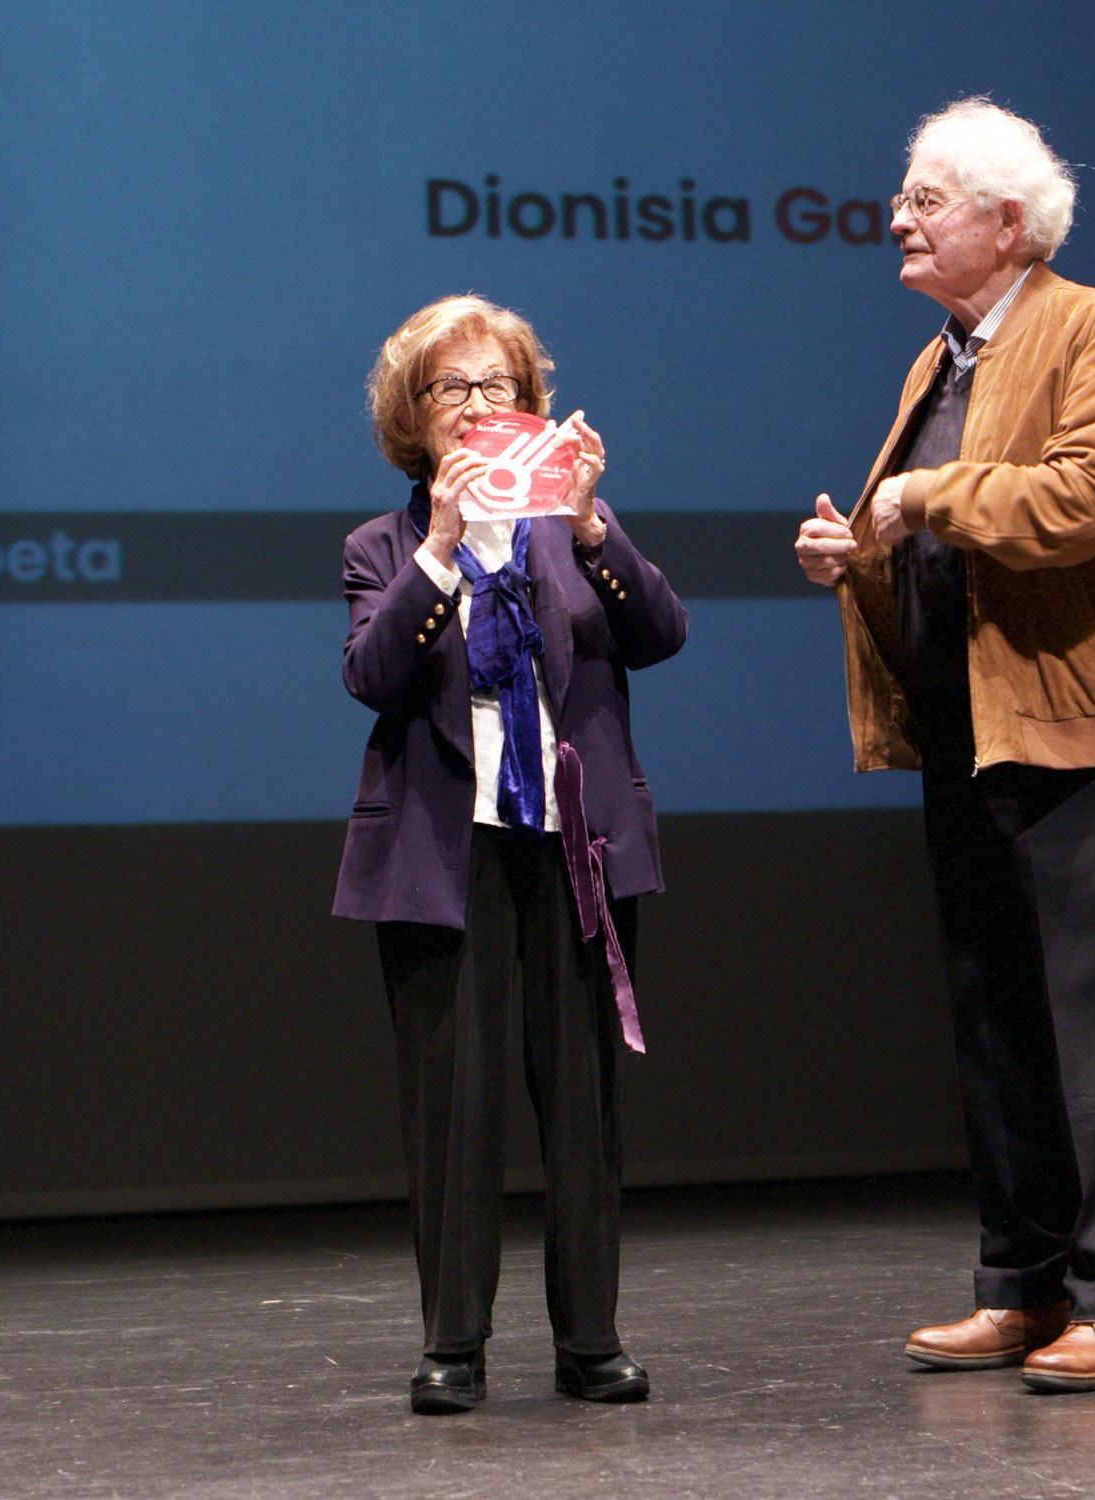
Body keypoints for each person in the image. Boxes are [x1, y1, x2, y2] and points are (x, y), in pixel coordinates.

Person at [793, 98, 1095, 1393]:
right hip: (973, 731)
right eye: (903, 196)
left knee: (1092, 1025)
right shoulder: (943, 363)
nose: (898, 218)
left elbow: (1093, 497)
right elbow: (930, 540)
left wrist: (925, 497)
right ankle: (1021, 1288)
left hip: (1078, 726)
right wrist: (855, 555)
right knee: (996, 1021)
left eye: (925, 198)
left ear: (1008, 223)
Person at [335, 294, 687, 1413]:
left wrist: (590, 526)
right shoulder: (382, 547)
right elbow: (371, 675)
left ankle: (590, 1340)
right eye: (454, 389)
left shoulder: (574, 529)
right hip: (446, 856)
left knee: (579, 1101)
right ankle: (454, 1346)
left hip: (572, 848)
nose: (481, 407)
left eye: (501, 388)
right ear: (413, 417)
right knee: (454, 1106)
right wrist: (439, 552)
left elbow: (660, 633)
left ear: (533, 407)